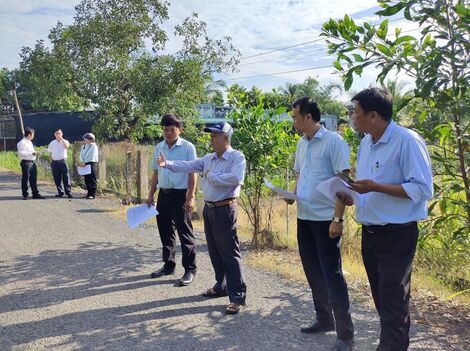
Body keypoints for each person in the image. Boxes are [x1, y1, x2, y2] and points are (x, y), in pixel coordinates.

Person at [337, 88, 433, 351]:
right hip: (371, 233)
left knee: (393, 303)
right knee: (383, 300)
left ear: (374, 115)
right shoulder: (367, 142)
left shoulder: (407, 141)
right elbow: (368, 187)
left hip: (397, 234)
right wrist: (352, 195)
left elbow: (422, 189)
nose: (352, 117)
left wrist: (376, 187)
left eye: (356, 113)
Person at [157, 122, 247, 315]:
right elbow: (189, 165)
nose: (211, 139)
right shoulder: (208, 158)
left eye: (215, 135)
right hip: (210, 209)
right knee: (215, 250)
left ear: (225, 137)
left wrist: (212, 177)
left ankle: (237, 296)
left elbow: (236, 179)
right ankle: (221, 286)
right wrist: (168, 164)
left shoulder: (236, 157)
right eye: (211, 136)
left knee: (230, 252)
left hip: (225, 209)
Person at [287, 97, 354, 351]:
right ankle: (324, 318)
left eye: (295, 117)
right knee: (312, 271)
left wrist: (338, 218)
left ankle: (345, 333)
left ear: (308, 117)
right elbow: (300, 173)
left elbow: (343, 181)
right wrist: (291, 195)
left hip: (326, 219)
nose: (293, 121)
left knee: (332, 275)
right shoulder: (302, 144)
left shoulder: (334, 142)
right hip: (304, 216)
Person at [146, 114, 198, 286]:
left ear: (180, 130)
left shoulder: (187, 147)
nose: (168, 133)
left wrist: (191, 197)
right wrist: (151, 194)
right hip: (164, 194)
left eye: (172, 129)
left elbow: (193, 173)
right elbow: (155, 173)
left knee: (185, 232)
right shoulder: (159, 147)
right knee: (165, 231)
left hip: (180, 194)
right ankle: (168, 264)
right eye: (166, 129)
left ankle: (190, 268)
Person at [17, 127, 45, 200]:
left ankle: (35, 193)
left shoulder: (29, 142)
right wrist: (32, 153)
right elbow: (21, 154)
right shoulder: (21, 143)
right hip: (26, 162)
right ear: (29, 134)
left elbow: (31, 152)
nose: (33, 136)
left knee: (33, 178)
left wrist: (35, 152)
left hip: (32, 162)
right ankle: (25, 194)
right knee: (25, 179)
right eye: (33, 134)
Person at [48, 129, 73, 198]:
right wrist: (51, 162)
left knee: (66, 177)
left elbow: (67, 146)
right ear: (54, 135)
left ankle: (68, 192)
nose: (58, 134)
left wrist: (61, 139)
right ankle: (60, 192)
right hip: (54, 162)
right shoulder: (52, 142)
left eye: (59, 133)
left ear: (62, 134)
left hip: (63, 161)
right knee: (57, 178)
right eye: (56, 133)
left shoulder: (65, 141)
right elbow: (50, 152)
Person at [79, 133, 99, 199]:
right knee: (86, 179)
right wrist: (82, 161)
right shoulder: (83, 146)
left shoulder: (94, 146)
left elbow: (91, 155)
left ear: (91, 139)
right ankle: (88, 193)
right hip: (84, 163)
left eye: (86, 138)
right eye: (85, 138)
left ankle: (93, 194)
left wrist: (84, 162)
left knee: (92, 179)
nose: (85, 140)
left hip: (91, 163)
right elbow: (81, 155)